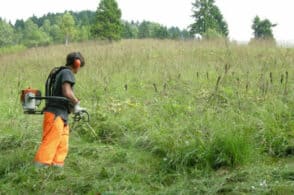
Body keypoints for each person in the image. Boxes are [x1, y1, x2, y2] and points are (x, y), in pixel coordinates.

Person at [34, 52, 86, 168]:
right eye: (79, 66)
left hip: (61, 115)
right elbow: (67, 92)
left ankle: (57, 169)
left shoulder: (61, 72)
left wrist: (73, 107)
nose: (79, 69)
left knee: (62, 144)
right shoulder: (67, 72)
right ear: (77, 63)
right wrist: (76, 102)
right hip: (55, 114)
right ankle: (39, 171)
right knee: (50, 142)